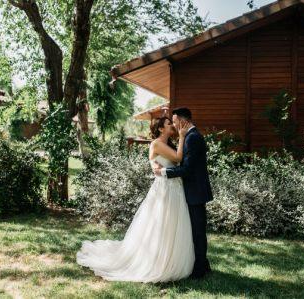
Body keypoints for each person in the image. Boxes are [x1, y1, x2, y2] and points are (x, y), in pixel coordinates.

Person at [76, 116, 195, 283]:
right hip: (165, 189)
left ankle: (170, 259)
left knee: (173, 223)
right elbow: (177, 158)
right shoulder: (157, 143)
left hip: (174, 188)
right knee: (161, 224)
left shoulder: (167, 143)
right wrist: (182, 137)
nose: (172, 127)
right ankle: (156, 261)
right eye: (169, 124)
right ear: (161, 129)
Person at [153, 107, 213, 279]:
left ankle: (200, 268)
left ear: (182, 120)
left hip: (195, 191)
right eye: (171, 122)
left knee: (198, 231)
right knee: (195, 230)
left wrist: (164, 172)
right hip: (191, 190)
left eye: (174, 121)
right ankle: (202, 264)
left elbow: (187, 169)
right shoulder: (188, 136)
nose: (173, 124)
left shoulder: (192, 138)